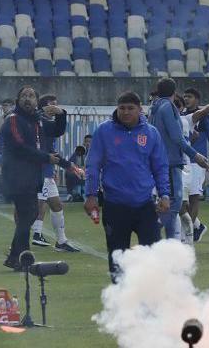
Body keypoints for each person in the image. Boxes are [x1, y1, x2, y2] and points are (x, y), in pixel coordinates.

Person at [84, 91, 171, 280]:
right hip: (115, 205)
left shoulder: (151, 133)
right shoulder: (104, 131)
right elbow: (93, 165)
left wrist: (165, 195)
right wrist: (90, 195)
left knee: (152, 253)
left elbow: (160, 167)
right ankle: (120, 300)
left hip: (145, 204)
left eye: (130, 108)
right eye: (121, 108)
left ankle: (151, 294)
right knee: (117, 255)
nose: (125, 112)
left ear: (140, 109)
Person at [2, 86, 72, 271]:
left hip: (32, 176)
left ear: (36, 101)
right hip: (16, 176)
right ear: (18, 100)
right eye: (24, 96)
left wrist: (61, 113)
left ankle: (15, 257)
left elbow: (57, 130)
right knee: (28, 213)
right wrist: (45, 158)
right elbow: (19, 147)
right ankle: (22, 257)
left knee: (30, 214)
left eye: (31, 96)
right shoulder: (14, 119)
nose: (27, 99)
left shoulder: (37, 121)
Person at [149, 78, 209, 241]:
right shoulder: (168, 107)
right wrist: (195, 155)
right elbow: (177, 137)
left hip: (159, 160)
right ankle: (155, 236)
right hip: (171, 161)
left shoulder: (154, 108)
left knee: (170, 202)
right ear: (174, 92)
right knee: (175, 203)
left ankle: (164, 238)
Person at [30, 94, 85, 253]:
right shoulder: (37, 122)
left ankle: (60, 241)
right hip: (36, 170)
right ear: (44, 107)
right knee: (36, 203)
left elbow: (51, 151)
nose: (56, 107)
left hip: (46, 169)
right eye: (53, 105)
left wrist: (70, 166)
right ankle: (33, 235)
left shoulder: (47, 123)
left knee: (56, 204)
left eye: (57, 104)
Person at [181, 88, 209, 243]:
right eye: (185, 97)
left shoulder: (204, 117)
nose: (187, 99)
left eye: (190, 97)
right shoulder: (182, 117)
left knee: (193, 197)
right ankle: (197, 226)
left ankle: (188, 234)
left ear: (197, 100)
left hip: (197, 162)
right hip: (184, 161)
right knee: (182, 200)